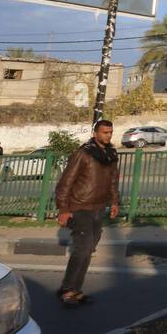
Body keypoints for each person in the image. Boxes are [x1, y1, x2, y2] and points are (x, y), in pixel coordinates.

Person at [54, 119, 121, 307]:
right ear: (95, 133)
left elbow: (113, 181)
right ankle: (67, 290)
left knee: (88, 250)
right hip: (80, 207)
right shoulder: (83, 154)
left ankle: (75, 289)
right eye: (104, 132)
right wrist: (63, 209)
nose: (108, 135)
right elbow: (66, 182)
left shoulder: (110, 154)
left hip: (98, 208)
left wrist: (114, 201)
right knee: (82, 249)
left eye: (110, 132)